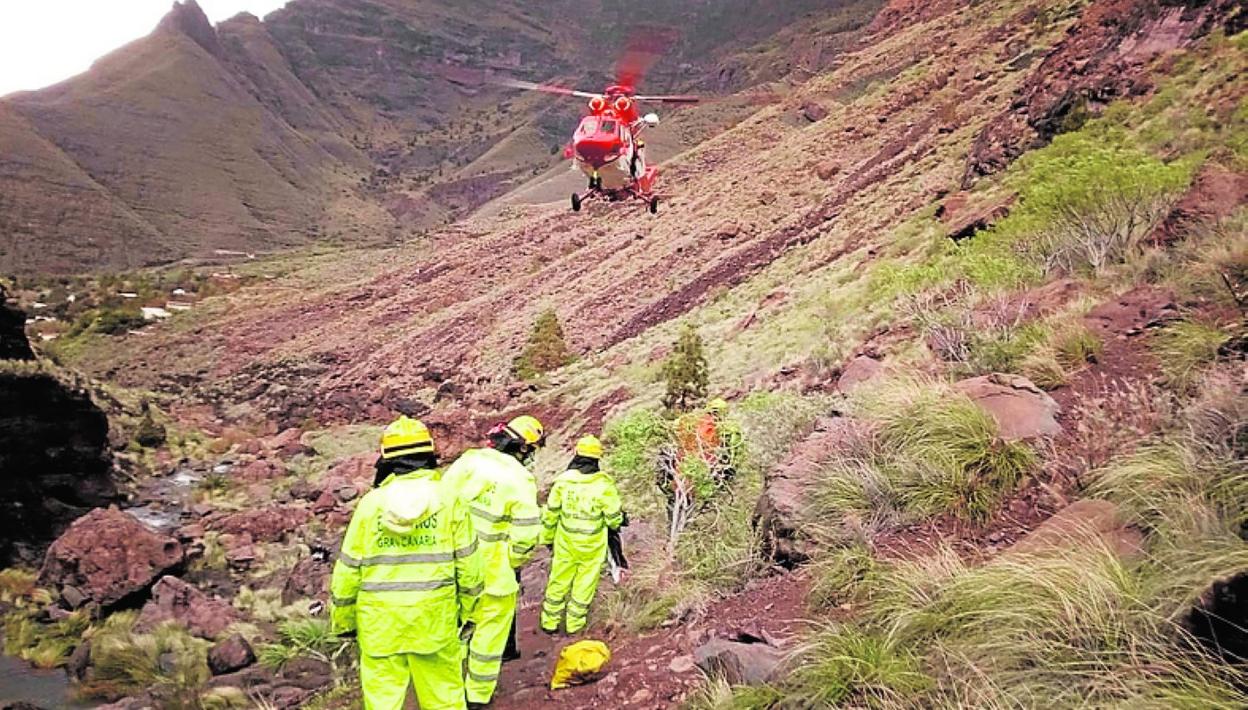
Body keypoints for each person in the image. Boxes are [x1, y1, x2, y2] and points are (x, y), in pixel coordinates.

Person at [329, 416, 482, 710]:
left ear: (387, 460)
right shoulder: (449, 500)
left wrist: (345, 621)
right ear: (428, 455)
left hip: (379, 624)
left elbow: (347, 571)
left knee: (383, 702)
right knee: (445, 698)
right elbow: (469, 566)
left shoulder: (371, 505)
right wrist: (469, 612)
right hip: (435, 619)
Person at [441, 415, 545, 709]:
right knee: (488, 639)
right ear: (524, 449)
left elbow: (440, 504)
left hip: (452, 569)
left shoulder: (467, 462)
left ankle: (446, 693)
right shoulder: (521, 480)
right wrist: (509, 561)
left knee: (454, 631)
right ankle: (476, 698)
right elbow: (525, 537)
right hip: (493, 576)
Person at [539, 435, 623, 635]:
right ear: (597, 459)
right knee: (584, 584)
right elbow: (614, 519)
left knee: (558, 580)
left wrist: (547, 538)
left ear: (576, 454)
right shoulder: (604, 486)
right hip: (592, 546)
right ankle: (574, 625)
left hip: (565, 543)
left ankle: (549, 622)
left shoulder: (563, 482)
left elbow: (550, 515)